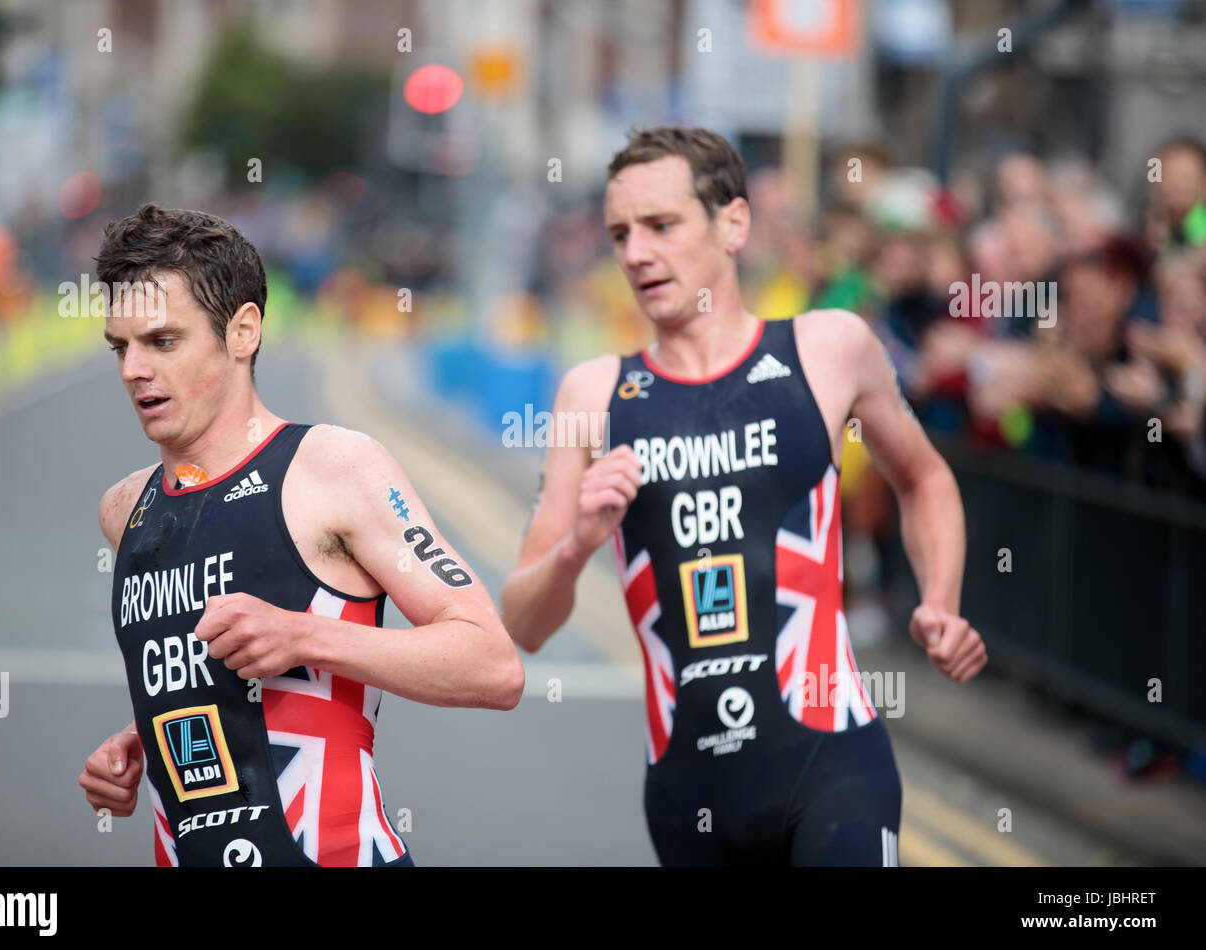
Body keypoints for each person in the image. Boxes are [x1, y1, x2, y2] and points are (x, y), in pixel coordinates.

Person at [501, 127, 986, 866]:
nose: (635, 253)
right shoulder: (592, 395)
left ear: (733, 223)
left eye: (661, 226)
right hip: (690, 795)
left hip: (832, 765)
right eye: (620, 233)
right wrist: (577, 546)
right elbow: (524, 624)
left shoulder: (827, 348)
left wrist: (941, 602)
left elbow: (925, 479)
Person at [78, 203, 524, 867]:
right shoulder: (125, 508)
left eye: (163, 342)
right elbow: (229, 696)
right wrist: (144, 737)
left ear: (242, 332)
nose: (133, 371)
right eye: (122, 346)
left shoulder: (334, 468)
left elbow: (493, 665)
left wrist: (302, 636)